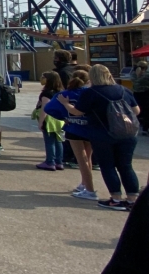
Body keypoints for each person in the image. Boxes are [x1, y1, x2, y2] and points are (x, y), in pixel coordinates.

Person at [57, 64, 140, 211]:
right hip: (128, 134)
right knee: (126, 166)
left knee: (108, 166)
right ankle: (132, 199)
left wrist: (65, 104)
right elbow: (136, 111)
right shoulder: (124, 90)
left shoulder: (91, 92)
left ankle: (115, 199)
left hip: (103, 134)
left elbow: (77, 112)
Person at [55, 70, 98, 200]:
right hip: (90, 127)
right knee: (87, 158)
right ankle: (84, 183)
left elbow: (50, 108)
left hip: (74, 128)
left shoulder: (66, 94)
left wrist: (64, 115)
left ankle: (89, 189)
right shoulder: (91, 93)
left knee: (82, 159)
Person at [34, 71, 65, 170]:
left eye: (43, 77)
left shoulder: (47, 93)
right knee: (58, 140)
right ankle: (59, 162)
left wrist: (41, 122)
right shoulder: (61, 91)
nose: (41, 78)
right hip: (59, 119)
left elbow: (45, 108)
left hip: (49, 120)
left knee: (49, 141)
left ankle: (50, 162)